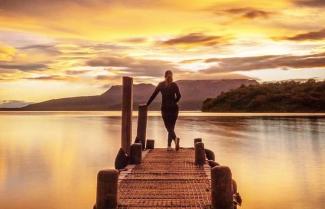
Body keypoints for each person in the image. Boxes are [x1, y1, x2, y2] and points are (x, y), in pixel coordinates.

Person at [146, 70, 181, 151]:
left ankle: (174, 140)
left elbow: (153, 95)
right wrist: (173, 102)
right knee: (171, 127)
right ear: (172, 76)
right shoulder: (174, 85)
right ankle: (169, 146)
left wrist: (147, 104)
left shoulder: (161, 85)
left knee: (168, 127)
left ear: (164, 76)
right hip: (174, 108)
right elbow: (179, 96)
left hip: (165, 108)